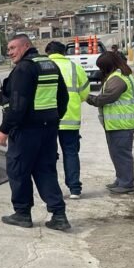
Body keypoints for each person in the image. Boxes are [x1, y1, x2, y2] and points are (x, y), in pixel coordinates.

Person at [0, 34, 71, 231]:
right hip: (48, 129)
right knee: (45, 170)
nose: (10, 52)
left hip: (26, 131)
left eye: (13, 48)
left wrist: (4, 130)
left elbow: (18, 105)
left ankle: (22, 214)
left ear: (26, 45)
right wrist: (54, 118)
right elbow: (63, 97)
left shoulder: (24, 68)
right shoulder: (49, 64)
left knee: (18, 170)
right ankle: (59, 215)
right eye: (8, 49)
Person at [85, 51, 134, 194]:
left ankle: (126, 184)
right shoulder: (118, 75)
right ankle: (121, 179)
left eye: (101, 67)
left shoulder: (118, 79)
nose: (100, 70)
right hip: (118, 123)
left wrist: (88, 98)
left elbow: (105, 98)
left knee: (122, 154)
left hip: (122, 123)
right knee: (116, 153)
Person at [45, 41, 90, 199]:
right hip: (70, 117)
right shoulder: (74, 67)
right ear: (64, 52)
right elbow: (85, 93)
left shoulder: (43, 67)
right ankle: (74, 190)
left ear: (48, 53)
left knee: (49, 155)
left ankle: (53, 191)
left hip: (48, 117)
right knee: (70, 152)